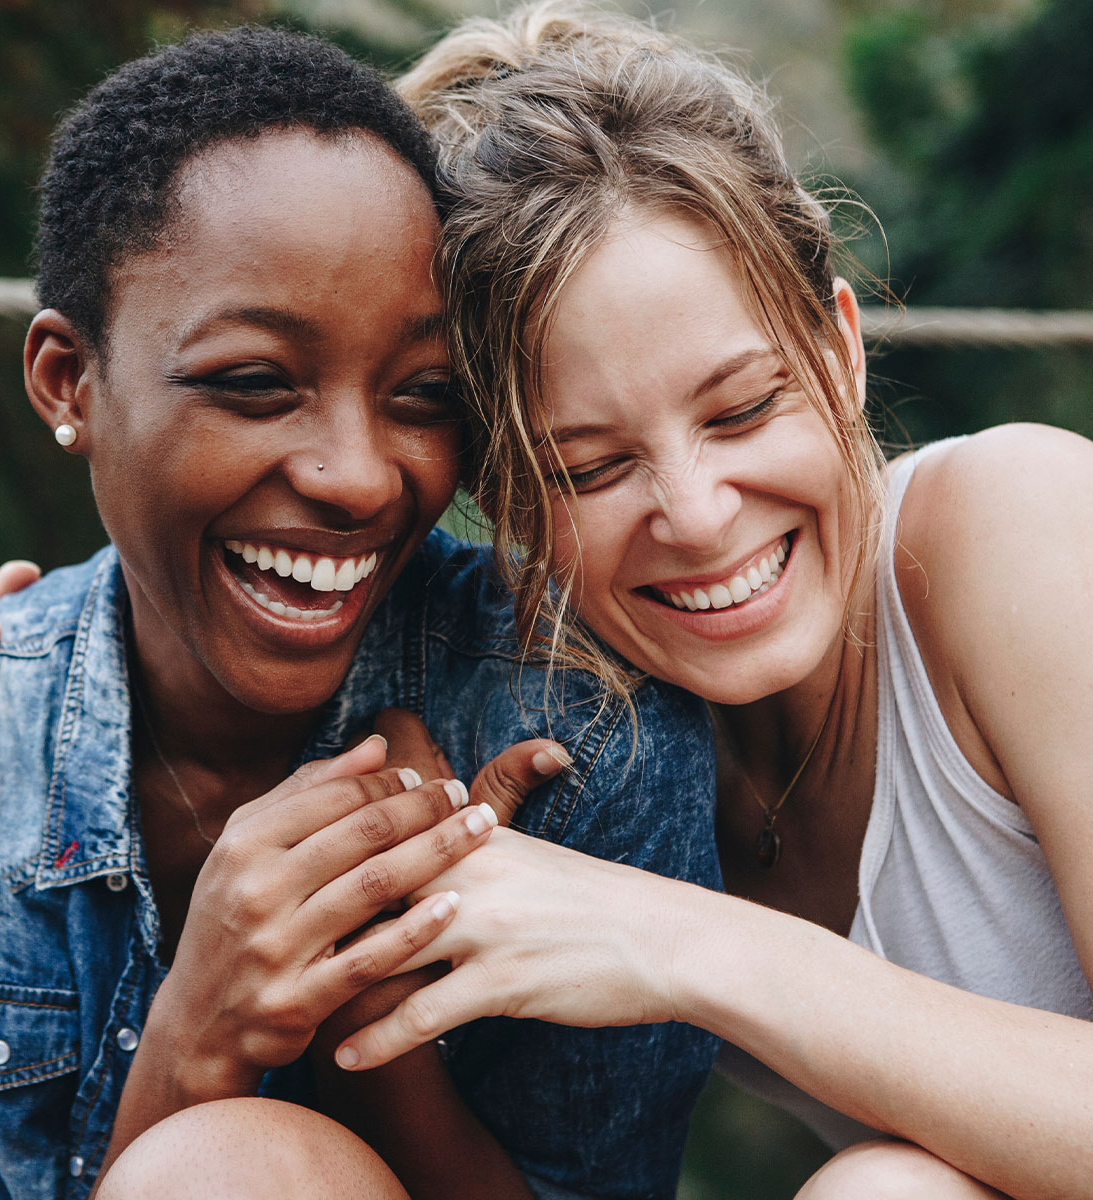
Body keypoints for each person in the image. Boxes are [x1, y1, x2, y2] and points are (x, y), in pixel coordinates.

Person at [0, 24, 721, 1200]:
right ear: (68, 382)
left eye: (423, 395)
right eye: (254, 384)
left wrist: (378, 1020)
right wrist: (197, 1035)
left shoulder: (581, 733)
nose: (359, 478)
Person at [317, 6, 1093, 1200]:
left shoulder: (1018, 527)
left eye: (739, 410)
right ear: (506, 505)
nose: (698, 512)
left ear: (837, 346)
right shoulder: (577, 727)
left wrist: (688, 944)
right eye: (589, 467)